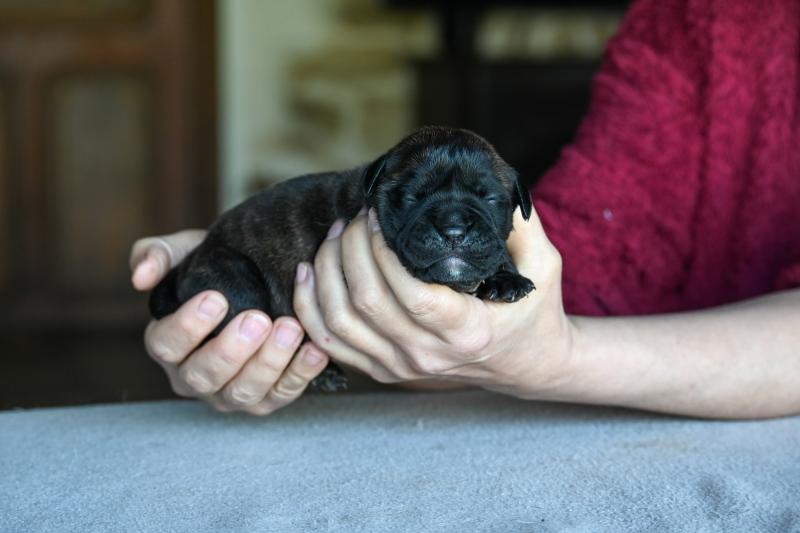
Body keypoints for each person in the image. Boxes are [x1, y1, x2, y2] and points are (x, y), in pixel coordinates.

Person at [130, 0, 800, 419]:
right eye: (420, 201)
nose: (453, 224)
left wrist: (559, 356)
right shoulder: (685, 19)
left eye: (480, 203)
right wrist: (244, 253)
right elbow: (576, 255)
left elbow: (542, 322)